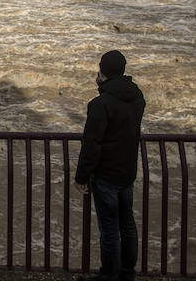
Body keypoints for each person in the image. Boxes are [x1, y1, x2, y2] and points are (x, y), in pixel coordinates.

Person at [74, 50, 145, 281]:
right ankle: (127, 274)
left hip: (106, 176)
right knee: (128, 226)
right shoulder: (137, 98)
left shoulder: (100, 104)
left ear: (102, 71)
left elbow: (92, 144)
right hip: (127, 172)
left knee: (110, 231)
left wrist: (81, 177)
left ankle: (109, 275)